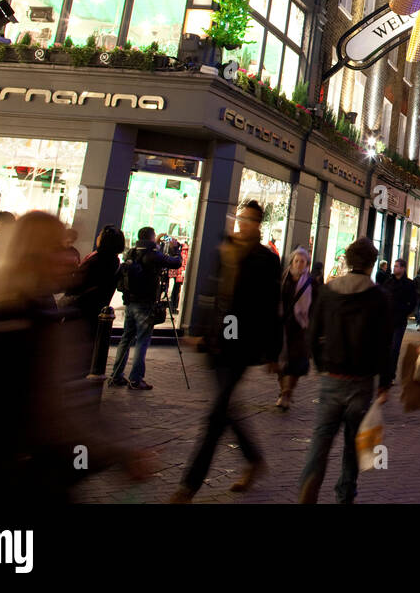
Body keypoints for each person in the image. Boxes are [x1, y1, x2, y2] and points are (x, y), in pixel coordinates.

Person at [0, 211, 154, 502]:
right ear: (36, 254)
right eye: (57, 248)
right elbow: (53, 410)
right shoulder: (28, 320)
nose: (68, 257)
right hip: (13, 479)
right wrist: (118, 452)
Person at [172, 202, 282, 502]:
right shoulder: (224, 250)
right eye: (240, 218)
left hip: (243, 344)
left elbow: (273, 308)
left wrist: (273, 352)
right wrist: (198, 331)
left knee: (217, 415)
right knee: (226, 409)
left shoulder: (267, 259)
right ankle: (254, 461)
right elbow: (210, 293)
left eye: (249, 220)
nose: (242, 224)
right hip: (217, 342)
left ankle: (188, 486)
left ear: (259, 224)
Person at [298, 237, 392, 504]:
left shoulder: (328, 292)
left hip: (332, 377)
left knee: (321, 438)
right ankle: (345, 494)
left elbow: (312, 333)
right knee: (353, 444)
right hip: (361, 381)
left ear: (349, 261)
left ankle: (309, 483)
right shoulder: (378, 297)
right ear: (372, 264)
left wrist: (319, 364)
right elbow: (384, 345)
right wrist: (385, 382)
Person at [107, 226, 183, 391]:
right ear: (151, 237)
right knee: (142, 340)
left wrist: (157, 244)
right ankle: (136, 379)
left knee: (126, 339)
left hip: (130, 301)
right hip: (146, 303)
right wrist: (175, 249)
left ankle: (116, 376)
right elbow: (176, 263)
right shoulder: (154, 256)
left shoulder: (132, 253)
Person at [61, 225, 126, 374]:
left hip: (81, 311)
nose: (98, 237)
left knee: (73, 350)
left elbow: (76, 284)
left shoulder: (98, 260)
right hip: (95, 310)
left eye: (100, 235)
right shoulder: (114, 261)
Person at [277, 247, 315, 411]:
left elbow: (316, 306)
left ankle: (287, 393)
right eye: (297, 261)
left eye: (303, 261)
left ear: (307, 264)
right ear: (292, 262)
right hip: (282, 324)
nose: (299, 264)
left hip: (301, 327)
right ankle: (283, 390)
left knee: (296, 362)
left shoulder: (311, 282)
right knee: (280, 361)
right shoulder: (283, 278)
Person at [382, 257, 415, 385]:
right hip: (388, 320)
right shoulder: (388, 282)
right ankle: (385, 373)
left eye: (397, 266)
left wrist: (404, 311)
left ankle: (390, 375)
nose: (395, 268)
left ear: (403, 268)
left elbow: (412, 302)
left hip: (399, 321)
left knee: (395, 349)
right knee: (386, 347)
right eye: (394, 266)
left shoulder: (409, 284)